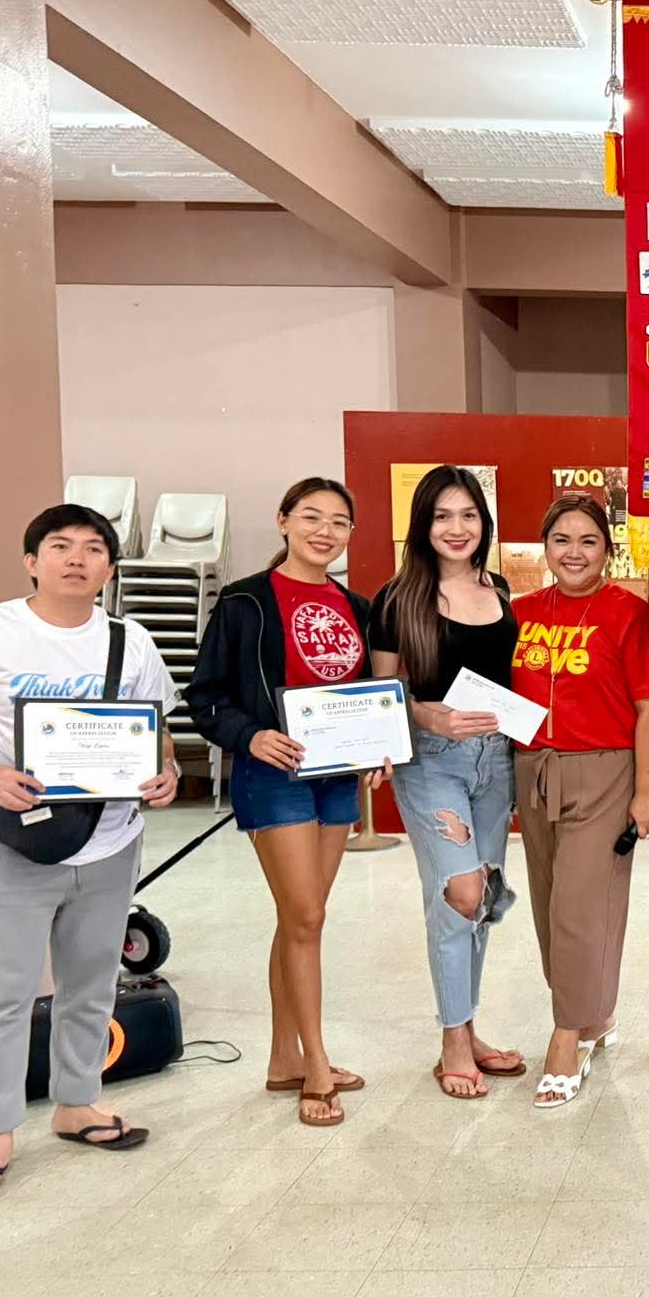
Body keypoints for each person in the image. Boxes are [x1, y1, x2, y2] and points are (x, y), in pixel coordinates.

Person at [0, 505, 180, 1208]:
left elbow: (154, 732)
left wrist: (167, 774)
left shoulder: (131, 640)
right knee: (1, 996)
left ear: (110, 568)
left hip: (111, 842)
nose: (76, 559)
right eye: (59, 546)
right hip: (12, 841)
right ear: (31, 560)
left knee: (92, 983)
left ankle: (76, 1104)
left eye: (94, 549)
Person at [187, 477, 377, 1128]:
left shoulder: (357, 605)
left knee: (303, 919)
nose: (325, 531)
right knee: (305, 916)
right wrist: (253, 736)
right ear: (283, 522)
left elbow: (366, 692)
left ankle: (281, 1057)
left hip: (336, 776)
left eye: (339, 522)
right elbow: (205, 697)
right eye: (311, 517)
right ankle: (316, 1065)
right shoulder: (245, 602)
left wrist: (377, 744)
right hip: (274, 774)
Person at [510, 492, 649, 1108]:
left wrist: (643, 791)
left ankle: (564, 1035)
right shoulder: (520, 612)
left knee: (581, 904)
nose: (573, 552)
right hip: (535, 771)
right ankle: (593, 1014)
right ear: (545, 548)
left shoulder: (626, 615)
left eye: (588, 541)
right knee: (552, 904)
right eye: (561, 540)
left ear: (607, 550)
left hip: (603, 771)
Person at [367, 466, 523, 1100]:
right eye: (442, 517)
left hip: (498, 760)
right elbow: (381, 692)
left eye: (468, 516)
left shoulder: (502, 588)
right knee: (458, 893)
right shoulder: (396, 597)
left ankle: (468, 1027)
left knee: (482, 900)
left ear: (483, 523)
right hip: (432, 761)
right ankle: (452, 1042)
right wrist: (419, 710)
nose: (457, 529)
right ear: (422, 526)